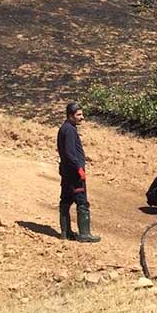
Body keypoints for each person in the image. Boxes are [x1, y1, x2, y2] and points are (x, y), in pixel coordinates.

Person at [57, 102, 101, 243]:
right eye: (79, 115)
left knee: (66, 200)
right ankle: (84, 234)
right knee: (82, 202)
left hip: (66, 172)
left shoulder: (65, 128)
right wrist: (79, 169)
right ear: (70, 116)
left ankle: (65, 232)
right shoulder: (69, 130)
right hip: (74, 174)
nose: (82, 117)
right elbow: (70, 153)